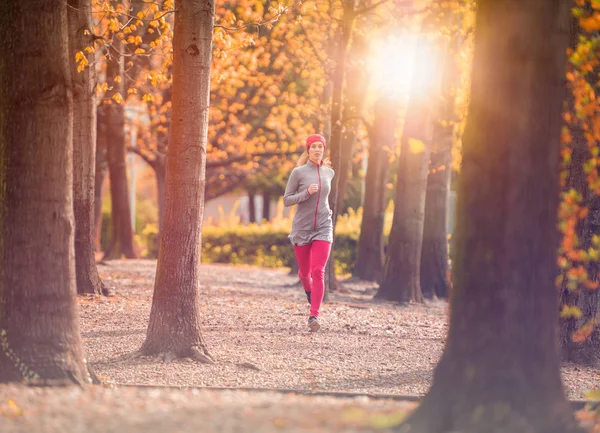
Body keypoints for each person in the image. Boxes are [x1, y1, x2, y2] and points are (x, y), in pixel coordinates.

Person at [283, 133, 335, 332]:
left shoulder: (329, 173)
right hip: (302, 228)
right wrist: (306, 194)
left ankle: (314, 315)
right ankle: (308, 291)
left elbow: (325, 199)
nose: (317, 150)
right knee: (305, 274)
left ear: (323, 150)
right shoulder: (298, 172)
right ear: (308, 150)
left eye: (320, 147)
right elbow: (287, 200)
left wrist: (326, 211)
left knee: (318, 271)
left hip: (323, 226)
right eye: (313, 146)